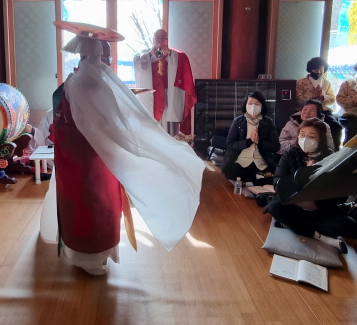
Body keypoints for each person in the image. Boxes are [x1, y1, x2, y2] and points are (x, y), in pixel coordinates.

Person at [46, 21, 204, 275]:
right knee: (95, 204)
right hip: (91, 159)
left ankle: (89, 254)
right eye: (106, 54)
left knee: (88, 204)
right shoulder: (89, 83)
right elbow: (107, 121)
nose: (109, 60)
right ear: (96, 54)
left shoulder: (77, 78)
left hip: (78, 156)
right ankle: (91, 257)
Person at [265, 118, 351, 253]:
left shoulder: (331, 158)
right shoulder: (290, 154)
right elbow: (278, 183)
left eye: (311, 137)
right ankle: (320, 236)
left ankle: (293, 224)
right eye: (302, 135)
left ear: (321, 139)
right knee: (275, 207)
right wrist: (302, 175)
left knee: (345, 224)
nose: (305, 139)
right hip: (294, 204)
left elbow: (341, 195)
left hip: (319, 207)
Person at [132, 28, 196, 135]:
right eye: (157, 37)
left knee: (168, 127)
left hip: (168, 94)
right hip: (151, 94)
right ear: (153, 39)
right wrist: (150, 54)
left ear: (167, 40)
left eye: (163, 38)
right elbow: (138, 62)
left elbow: (182, 60)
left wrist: (170, 53)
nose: (160, 40)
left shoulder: (173, 54)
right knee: (151, 128)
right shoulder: (145, 54)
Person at [222, 91, 280, 185]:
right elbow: (230, 144)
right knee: (232, 172)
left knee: (275, 175)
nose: (253, 106)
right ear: (245, 105)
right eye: (250, 103)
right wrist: (249, 141)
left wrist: (260, 143)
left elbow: (276, 146)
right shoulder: (238, 121)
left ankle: (252, 181)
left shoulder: (268, 122)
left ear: (262, 106)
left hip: (262, 161)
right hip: (242, 160)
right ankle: (254, 180)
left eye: (257, 104)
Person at [295, 56, 342, 149]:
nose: (319, 72)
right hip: (306, 111)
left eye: (321, 70)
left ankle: (333, 150)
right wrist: (312, 96)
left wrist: (322, 96)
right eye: (316, 70)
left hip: (323, 110)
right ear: (310, 69)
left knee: (336, 127)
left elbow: (332, 99)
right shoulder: (300, 83)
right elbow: (298, 100)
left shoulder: (327, 83)